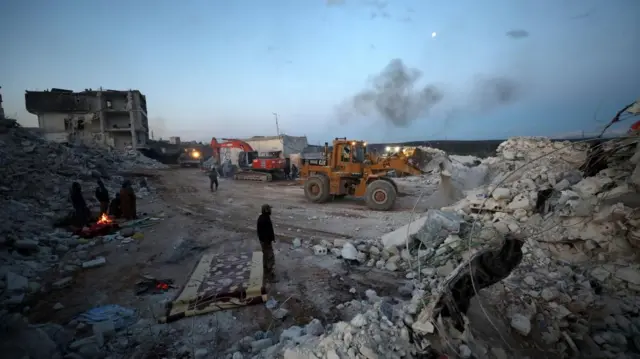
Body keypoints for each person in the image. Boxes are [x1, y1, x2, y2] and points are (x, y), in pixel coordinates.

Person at [257, 204, 276, 282]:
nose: (271, 211)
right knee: (270, 256)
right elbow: (267, 231)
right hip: (266, 241)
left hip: (264, 241)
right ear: (267, 210)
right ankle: (269, 275)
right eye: (269, 209)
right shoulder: (265, 219)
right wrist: (268, 241)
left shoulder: (262, 217)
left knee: (265, 255)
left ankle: (265, 270)